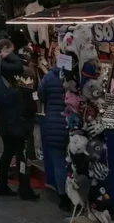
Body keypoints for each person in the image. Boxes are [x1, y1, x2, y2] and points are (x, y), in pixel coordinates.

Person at [0, 51, 40, 200]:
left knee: (7, 152)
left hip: (4, 121)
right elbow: (29, 101)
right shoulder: (25, 74)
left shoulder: (1, 71)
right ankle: (24, 187)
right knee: (21, 154)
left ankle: (1, 184)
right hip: (19, 121)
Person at [38, 63, 70, 211]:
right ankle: (77, 195)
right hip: (72, 124)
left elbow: (41, 95)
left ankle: (63, 197)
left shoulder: (48, 77)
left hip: (52, 124)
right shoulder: (74, 76)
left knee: (58, 163)